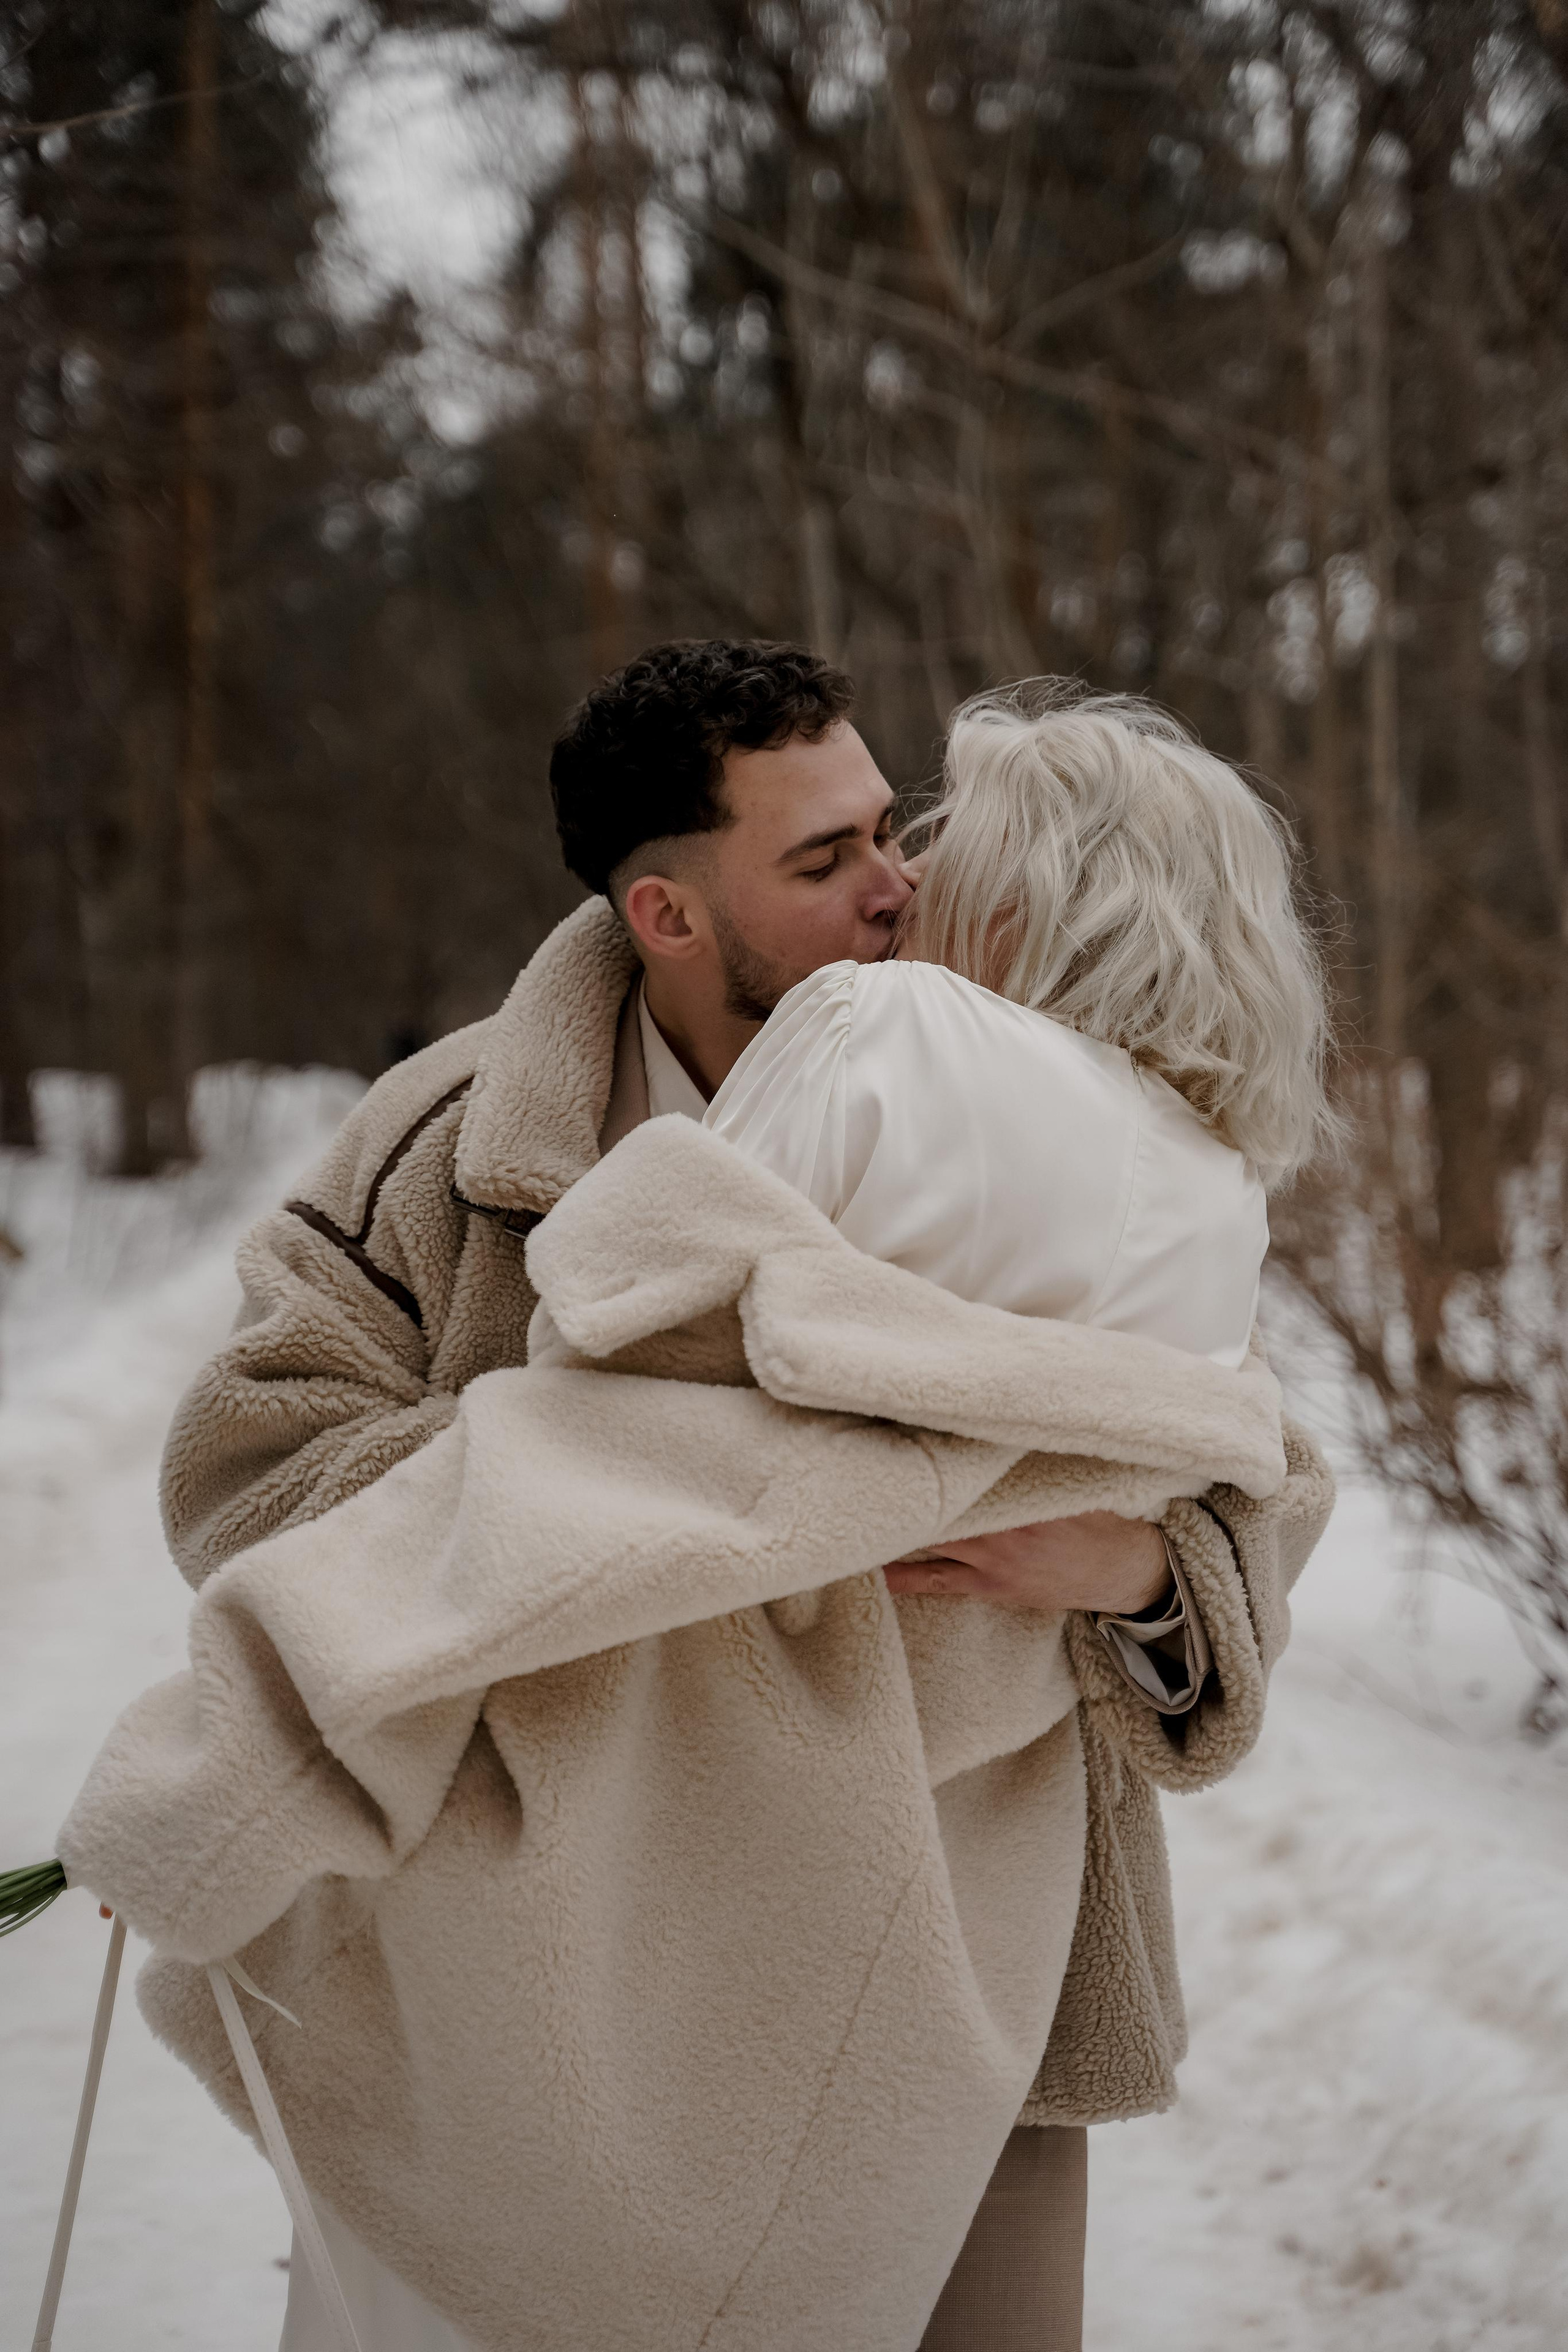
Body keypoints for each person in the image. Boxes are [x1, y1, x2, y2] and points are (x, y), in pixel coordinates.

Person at [104, 641, 1332, 2351]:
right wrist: (628, 1525)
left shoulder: (1048, 1106)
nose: (900, 888)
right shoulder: (453, 1137)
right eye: (825, 865)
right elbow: (251, 1454)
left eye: (892, 833)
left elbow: (1239, 1452)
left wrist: (1138, 1565)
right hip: (552, 1966)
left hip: (956, 1972)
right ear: (671, 913)